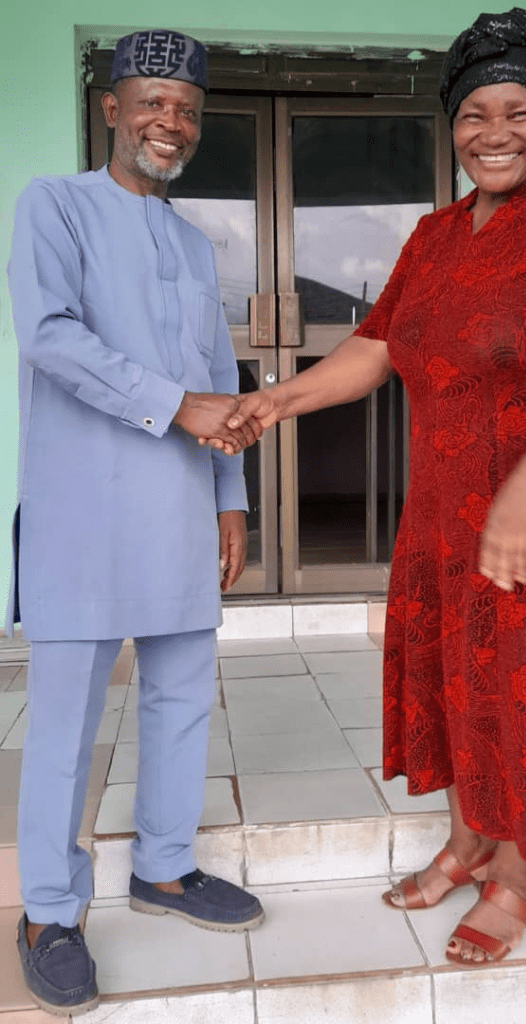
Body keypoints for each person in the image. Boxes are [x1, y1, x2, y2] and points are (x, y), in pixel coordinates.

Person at [212, 7, 526, 968]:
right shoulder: (433, 236)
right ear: (452, 124)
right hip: (444, 514)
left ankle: (517, 876)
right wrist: (275, 401)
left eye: (519, 112)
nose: (494, 133)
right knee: (460, 682)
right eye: (475, 113)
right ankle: (469, 840)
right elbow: (375, 346)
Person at [7, 30, 263, 1016]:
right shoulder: (53, 205)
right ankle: (48, 912)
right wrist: (177, 403)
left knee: (181, 697)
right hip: (79, 510)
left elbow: (217, 377)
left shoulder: (194, 244)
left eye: (186, 109)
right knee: (64, 723)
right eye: (152, 101)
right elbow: (50, 337)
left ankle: (163, 866)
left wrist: (230, 499)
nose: (170, 121)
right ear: (111, 109)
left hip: (179, 509)